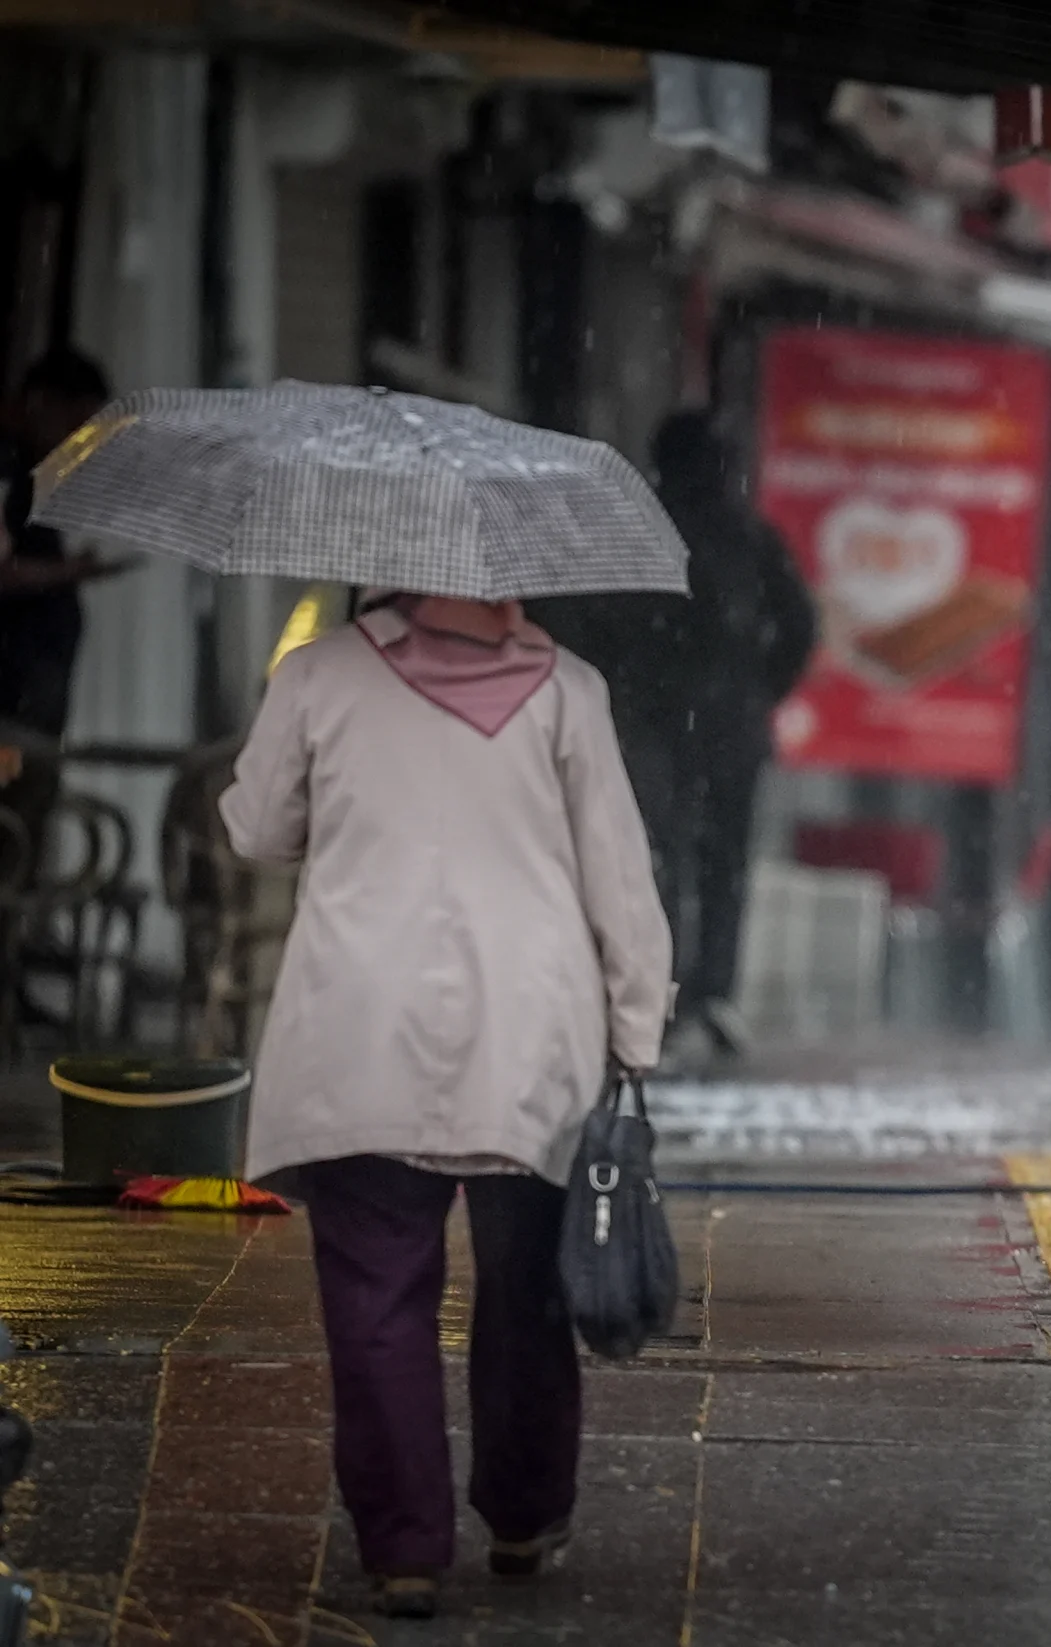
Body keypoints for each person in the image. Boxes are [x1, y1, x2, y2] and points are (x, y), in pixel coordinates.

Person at [221, 592, 672, 1619]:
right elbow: (618, 876)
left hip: (358, 1027)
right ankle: (523, 1518)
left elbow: (254, 829)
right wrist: (638, 1031)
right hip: (528, 1037)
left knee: (376, 1297)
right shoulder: (568, 689)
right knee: (526, 1292)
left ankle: (403, 1549)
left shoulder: (319, 675)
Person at [533, 412, 814, 1064]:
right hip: (729, 730)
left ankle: (661, 987)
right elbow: (799, 626)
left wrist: (620, 689)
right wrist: (757, 689)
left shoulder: (632, 532)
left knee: (655, 856)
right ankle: (712, 992)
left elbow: (589, 626)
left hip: (653, 726)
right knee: (723, 865)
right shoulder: (749, 537)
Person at [0, 348, 125, 868]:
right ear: (41, 404)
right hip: (9, 705)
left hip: (34, 707)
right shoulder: (7, 472)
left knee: (24, 832)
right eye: (75, 425)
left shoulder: (33, 480)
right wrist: (66, 574)